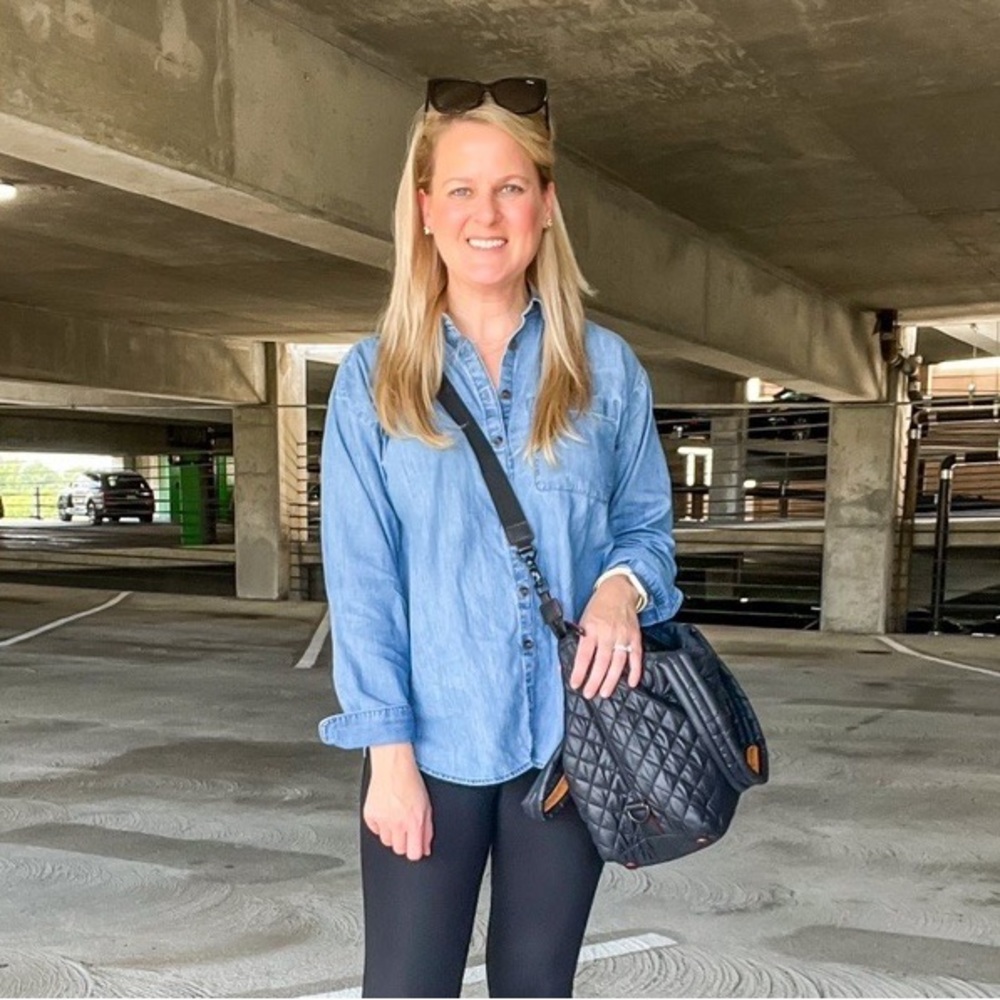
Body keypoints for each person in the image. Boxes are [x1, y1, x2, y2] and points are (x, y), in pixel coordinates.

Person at [319, 76, 682, 998]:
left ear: (547, 206)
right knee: (405, 988)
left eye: (512, 187)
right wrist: (387, 761)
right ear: (425, 210)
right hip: (428, 752)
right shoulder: (373, 380)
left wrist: (621, 591)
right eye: (463, 190)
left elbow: (646, 532)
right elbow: (363, 589)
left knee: (536, 986)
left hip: (569, 748)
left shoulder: (605, 369)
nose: (489, 213)